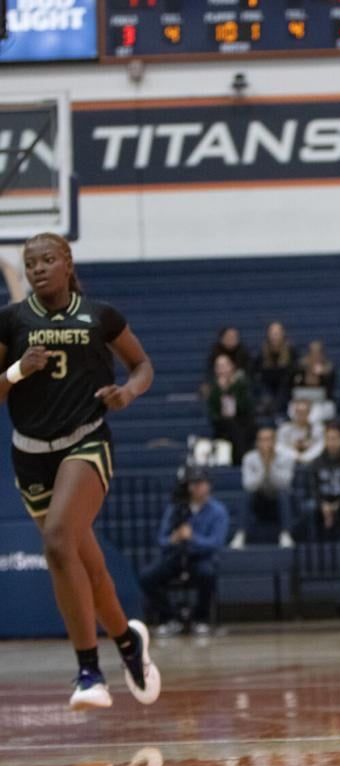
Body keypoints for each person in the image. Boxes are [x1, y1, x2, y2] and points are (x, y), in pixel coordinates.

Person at [0, 232, 161, 711]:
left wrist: (128, 393)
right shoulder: (11, 321)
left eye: (48, 260)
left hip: (86, 442)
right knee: (87, 566)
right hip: (30, 453)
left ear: (67, 263)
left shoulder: (99, 316)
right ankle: (128, 642)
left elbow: (142, 364)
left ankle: (89, 671)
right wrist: (16, 372)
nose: (38, 269)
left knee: (55, 543)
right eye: (30, 264)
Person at [140, 467, 230, 638]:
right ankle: (169, 618)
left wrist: (192, 538)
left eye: (200, 483)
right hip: (176, 555)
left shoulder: (218, 511)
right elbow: (162, 539)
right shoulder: (176, 508)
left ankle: (201, 619)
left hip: (201, 557)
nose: (197, 488)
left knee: (207, 573)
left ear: (208, 485)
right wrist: (173, 539)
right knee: (147, 577)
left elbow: (216, 543)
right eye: (193, 484)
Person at [233, 426, 295, 549]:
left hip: (278, 502)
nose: (265, 443)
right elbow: (248, 485)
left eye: (268, 439)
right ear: (257, 442)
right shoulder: (249, 458)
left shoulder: (286, 458)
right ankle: (240, 534)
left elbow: (285, 483)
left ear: (275, 441)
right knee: (246, 495)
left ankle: (286, 534)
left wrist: (270, 467)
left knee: (284, 493)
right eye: (262, 440)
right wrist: (263, 469)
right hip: (259, 502)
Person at [306, 422, 340, 540]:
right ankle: (313, 543)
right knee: (310, 506)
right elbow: (312, 487)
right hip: (322, 500)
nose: (332, 442)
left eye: (335, 438)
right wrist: (323, 504)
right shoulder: (316, 462)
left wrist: (338, 504)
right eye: (328, 439)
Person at [207, 353, 255, 462]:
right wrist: (221, 391)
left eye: (225, 365)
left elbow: (245, 406)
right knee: (231, 425)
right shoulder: (213, 389)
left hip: (242, 421)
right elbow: (213, 413)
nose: (222, 370)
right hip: (222, 425)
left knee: (246, 426)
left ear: (232, 366)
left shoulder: (242, 384)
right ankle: (241, 458)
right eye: (219, 367)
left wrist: (230, 389)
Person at [253, 321, 297, 417]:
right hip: (267, 388)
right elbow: (255, 371)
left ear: (283, 334)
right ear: (268, 335)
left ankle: (274, 408)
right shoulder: (261, 352)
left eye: (277, 333)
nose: (275, 336)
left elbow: (295, 371)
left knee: (285, 384)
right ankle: (269, 406)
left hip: (286, 390)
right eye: (273, 333)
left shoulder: (291, 351)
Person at [276, 398, 326, 465]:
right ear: (294, 412)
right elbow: (279, 446)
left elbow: (320, 446)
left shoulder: (318, 429)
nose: (301, 415)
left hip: (312, 462)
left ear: (309, 412)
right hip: (289, 461)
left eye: (304, 412)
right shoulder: (284, 428)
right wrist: (295, 455)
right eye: (298, 412)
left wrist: (306, 457)